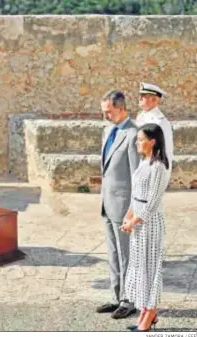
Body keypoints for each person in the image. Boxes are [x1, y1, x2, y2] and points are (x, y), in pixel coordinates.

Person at [120, 123, 169, 332]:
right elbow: (136, 196)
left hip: (150, 226)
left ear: (153, 141)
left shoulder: (158, 167)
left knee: (151, 270)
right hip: (138, 224)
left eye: (141, 139)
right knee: (140, 269)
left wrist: (134, 221)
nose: (137, 142)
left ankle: (150, 313)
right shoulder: (143, 163)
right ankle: (146, 311)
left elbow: (151, 203)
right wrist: (127, 216)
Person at [97, 90, 140, 319]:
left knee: (126, 256)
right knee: (113, 254)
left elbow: (136, 176)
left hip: (124, 206)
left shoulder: (133, 134)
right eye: (104, 112)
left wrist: (133, 210)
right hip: (107, 203)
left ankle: (129, 300)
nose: (105, 116)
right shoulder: (108, 131)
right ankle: (116, 297)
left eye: (109, 112)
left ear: (121, 109)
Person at [136, 82, 174, 176]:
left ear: (154, 100)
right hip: (140, 167)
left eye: (143, 96)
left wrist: (161, 175)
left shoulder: (160, 122)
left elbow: (166, 151)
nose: (140, 98)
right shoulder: (141, 116)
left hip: (152, 171)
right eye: (140, 95)